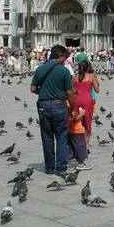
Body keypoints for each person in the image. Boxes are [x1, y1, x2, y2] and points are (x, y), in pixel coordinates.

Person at [30, 45, 75, 176]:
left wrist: (44, 93)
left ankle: (49, 167)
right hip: (59, 105)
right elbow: (70, 93)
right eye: (65, 57)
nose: (66, 60)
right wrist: (72, 109)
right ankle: (61, 168)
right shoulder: (64, 71)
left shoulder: (40, 69)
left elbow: (33, 89)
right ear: (60, 56)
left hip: (43, 105)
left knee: (47, 137)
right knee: (61, 137)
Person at [73, 61, 99, 150]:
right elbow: (97, 90)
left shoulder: (74, 77)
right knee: (87, 124)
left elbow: (72, 91)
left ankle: (77, 144)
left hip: (76, 101)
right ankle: (85, 146)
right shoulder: (91, 77)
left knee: (77, 122)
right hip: (87, 101)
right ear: (88, 68)